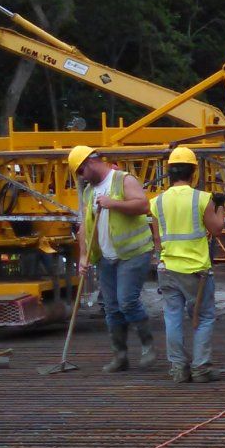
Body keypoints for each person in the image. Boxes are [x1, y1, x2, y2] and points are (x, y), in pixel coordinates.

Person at [69, 144, 157, 373]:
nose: (81, 177)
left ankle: (148, 345)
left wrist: (113, 203)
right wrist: (83, 255)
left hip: (133, 252)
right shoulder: (89, 191)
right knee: (112, 308)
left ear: (88, 163)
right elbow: (83, 228)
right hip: (106, 257)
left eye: (81, 172)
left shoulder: (123, 180)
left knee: (127, 301)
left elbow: (143, 205)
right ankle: (120, 356)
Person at [151, 147, 225, 383]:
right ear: (193, 172)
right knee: (204, 317)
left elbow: (157, 239)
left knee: (172, 317)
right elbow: (217, 229)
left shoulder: (157, 202)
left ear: (169, 172)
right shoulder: (201, 198)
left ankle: (177, 368)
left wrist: (162, 260)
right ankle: (201, 368)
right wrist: (221, 206)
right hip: (197, 271)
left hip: (168, 268)